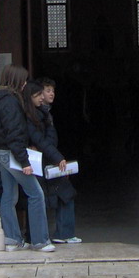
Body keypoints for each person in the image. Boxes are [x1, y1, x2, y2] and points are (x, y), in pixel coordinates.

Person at [0, 64, 55, 252]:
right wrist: (24, 162)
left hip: (0, 152)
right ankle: (40, 241)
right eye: (24, 81)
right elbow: (14, 134)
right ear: (17, 81)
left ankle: (12, 239)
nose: (25, 84)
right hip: (11, 154)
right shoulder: (11, 102)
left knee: (9, 195)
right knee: (36, 193)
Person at [34, 78, 80, 243]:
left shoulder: (46, 112)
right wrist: (57, 158)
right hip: (45, 160)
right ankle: (59, 234)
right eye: (47, 90)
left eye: (53, 90)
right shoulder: (37, 114)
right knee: (61, 194)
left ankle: (60, 233)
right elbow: (42, 141)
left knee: (61, 194)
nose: (51, 93)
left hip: (49, 158)